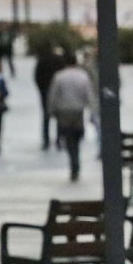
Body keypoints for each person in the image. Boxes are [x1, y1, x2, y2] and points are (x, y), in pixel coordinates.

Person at [46, 51, 96, 181]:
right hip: (78, 111)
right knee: (76, 138)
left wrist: (51, 110)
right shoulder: (83, 76)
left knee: (69, 139)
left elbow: (53, 95)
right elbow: (89, 95)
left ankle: (74, 163)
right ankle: (76, 161)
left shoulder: (59, 76)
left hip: (64, 112)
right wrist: (92, 111)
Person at [33, 47, 68, 150]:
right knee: (59, 115)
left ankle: (46, 140)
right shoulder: (59, 60)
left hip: (45, 90)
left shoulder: (42, 60)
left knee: (46, 116)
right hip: (57, 92)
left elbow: (37, 76)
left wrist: (41, 88)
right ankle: (58, 139)